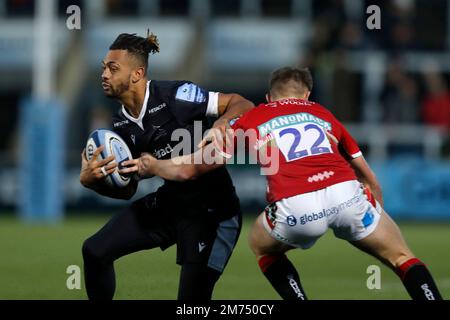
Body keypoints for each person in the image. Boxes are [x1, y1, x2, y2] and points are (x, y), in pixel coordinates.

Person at [121, 67, 443, 300]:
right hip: (346, 194)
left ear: (268, 97)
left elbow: (194, 168)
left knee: (261, 246)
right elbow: (363, 168)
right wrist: (374, 198)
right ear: (305, 95)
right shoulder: (321, 112)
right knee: (402, 257)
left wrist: (157, 165)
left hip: (296, 207)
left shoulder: (255, 116)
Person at [79, 31, 254, 300]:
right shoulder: (119, 126)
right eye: (104, 68)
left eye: (113, 68)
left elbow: (241, 103)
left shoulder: (176, 96)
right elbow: (127, 189)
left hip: (213, 212)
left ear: (137, 74)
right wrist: (93, 182)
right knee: (95, 250)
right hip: (171, 203)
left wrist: (223, 123)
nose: (104, 74)